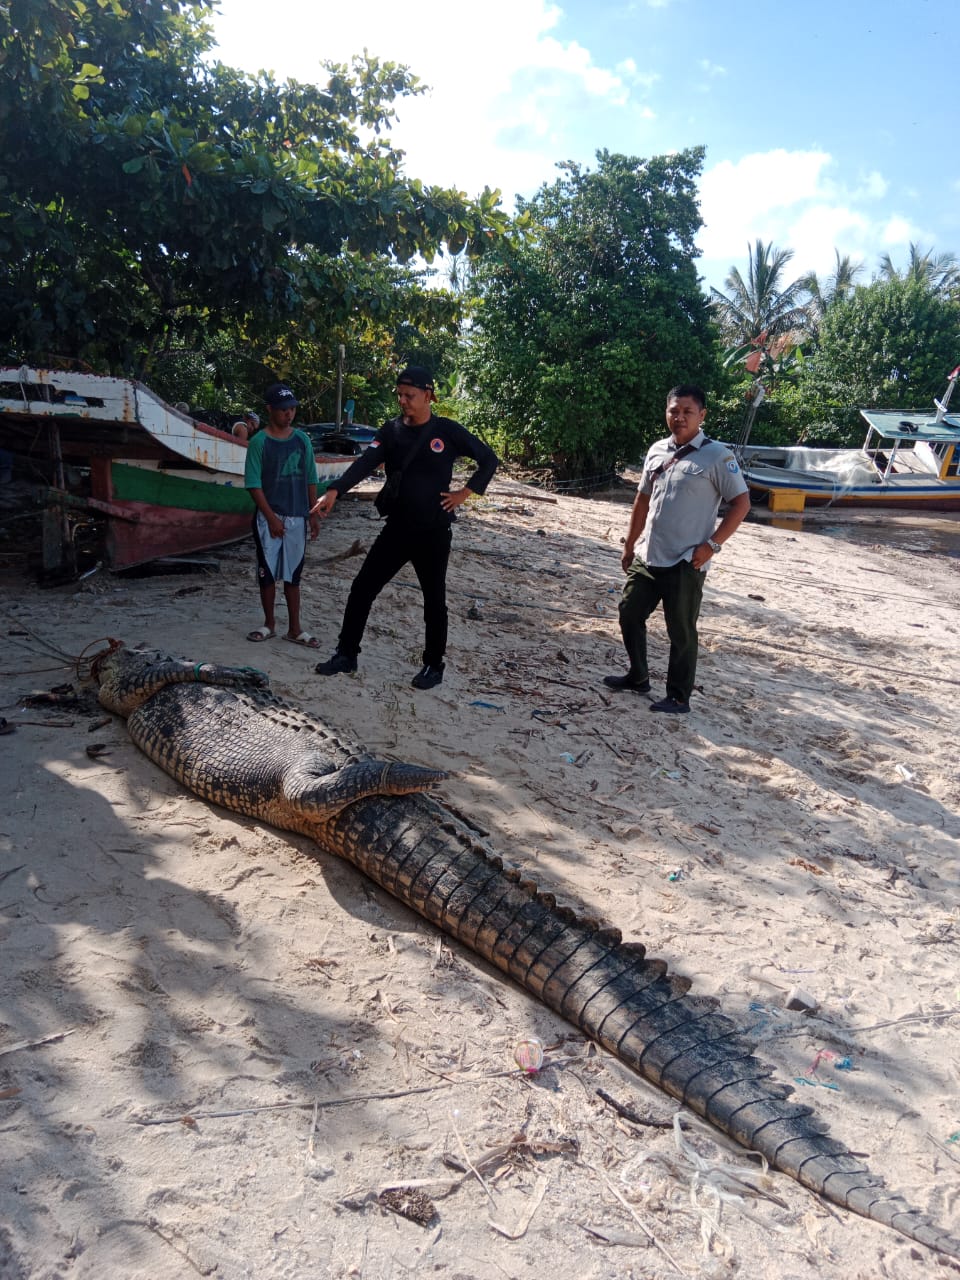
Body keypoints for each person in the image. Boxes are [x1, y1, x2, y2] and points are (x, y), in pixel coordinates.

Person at [312, 365, 498, 690]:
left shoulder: (448, 431)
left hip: (434, 532)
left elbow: (488, 459)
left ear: (428, 395)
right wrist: (335, 490)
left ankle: (433, 665)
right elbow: (364, 463)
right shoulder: (391, 431)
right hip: (397, 529)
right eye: (399, 395)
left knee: (433, 600)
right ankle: (346, 654)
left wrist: (464, 493)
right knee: (362, 588)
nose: (403, 401)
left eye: (410, 396)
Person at [605, 383, 751, 714]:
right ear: (666, 412)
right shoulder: (657, 450)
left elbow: (741, 503)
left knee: (681, 631)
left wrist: (713, 545)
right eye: (674, 410)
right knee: (629, 612)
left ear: (702, 415)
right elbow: (642, 500)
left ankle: (678, 697)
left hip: (687, 559)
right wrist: (630, 545)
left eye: (687, 412)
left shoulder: (718, 455)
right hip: (649, 554)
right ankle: (638, 676)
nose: (680, 417)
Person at [244, 382, 322, 647]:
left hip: (298, 516)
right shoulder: (259, 442)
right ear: (270, 410)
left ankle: (295, 628)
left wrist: (313, 513)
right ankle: (269, 624)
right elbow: (253, 484)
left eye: (292, 409)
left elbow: (311, 478)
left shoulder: (302, 440)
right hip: (269, 516)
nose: (288, 414)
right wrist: (271, 517)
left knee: (294, 574)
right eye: (283, 409)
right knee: (266, 572)